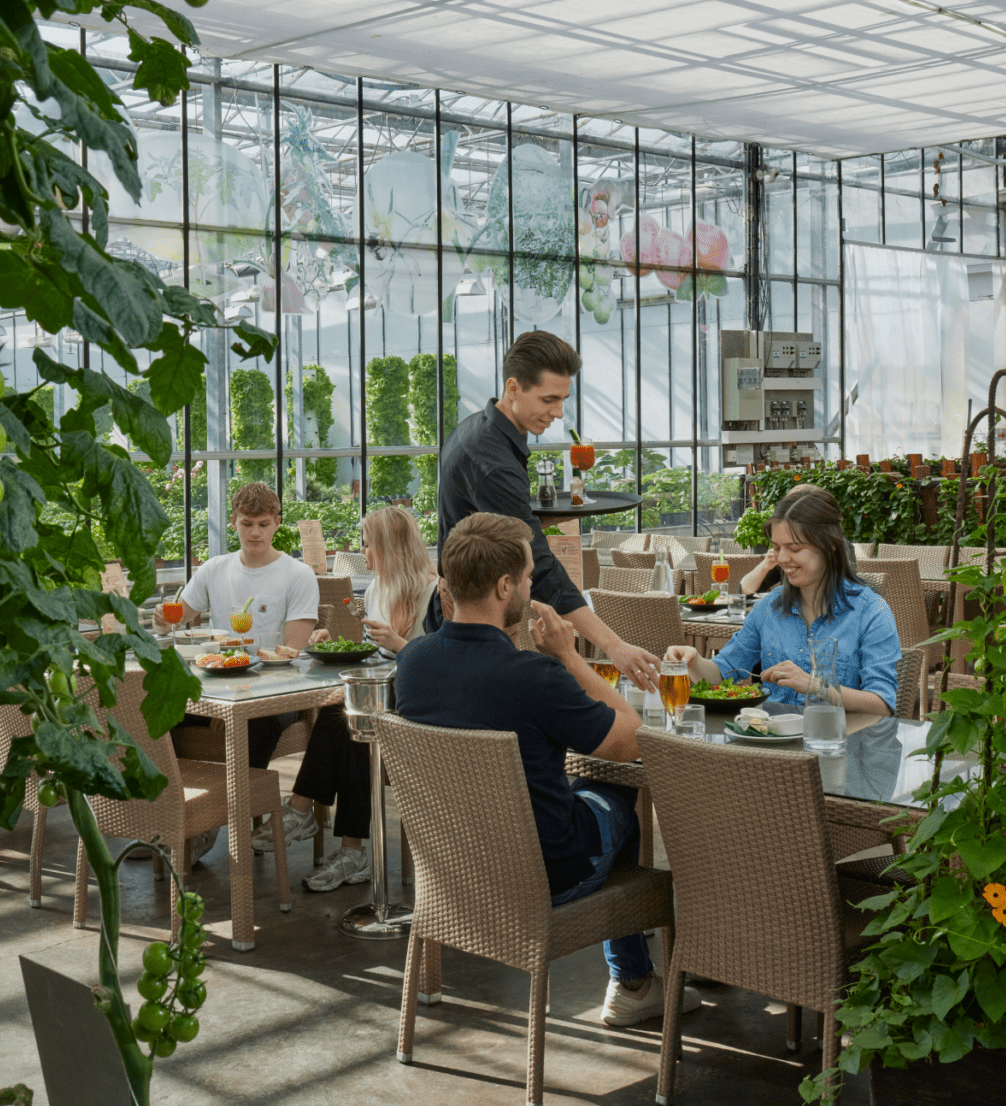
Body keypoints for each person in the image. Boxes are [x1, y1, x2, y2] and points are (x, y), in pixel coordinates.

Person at [395, 511, 702, 1028]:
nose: (535, 585)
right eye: (531, 575)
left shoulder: (414, 662)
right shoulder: (533, 675)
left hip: (453, 870)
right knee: (616, 795)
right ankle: (633, 981)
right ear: (504, 585)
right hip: (548, 876)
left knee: (587, 785)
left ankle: (637, 980)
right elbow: (630, 741)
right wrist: (568, 656)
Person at [438, 330, 664, 690]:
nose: (558, 413)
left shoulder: (477, 429)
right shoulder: (491, 459)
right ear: (514, 388)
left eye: (563, 399)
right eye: (549, 399)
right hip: (473, 623)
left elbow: (491, 519)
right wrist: (614, 646)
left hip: (474, 613)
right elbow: (540, 567)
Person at [254, 506, 438, 892]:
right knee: (349, 718)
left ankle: (304, 810)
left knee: (349, 714)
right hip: (381, 698)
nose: (365, 555)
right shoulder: (375, 589)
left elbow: (438, 667)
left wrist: (401, 644)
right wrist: (343, 643)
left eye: (370, 546)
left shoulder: (433, 592)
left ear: (392, 548)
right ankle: (349, 851)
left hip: (421, 703)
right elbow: (375, 657)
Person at [158, 482, 321, 861]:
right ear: (233, 522)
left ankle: (207, 825)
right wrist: (163, 622)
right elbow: (179, 618)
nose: (255, 533)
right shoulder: (215, 569)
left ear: (277, 524)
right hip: (216, 688)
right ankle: (169, 816)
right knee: (161, 715)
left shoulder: (297, 575)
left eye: (264, 524)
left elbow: (290, 655)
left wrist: (234, 704)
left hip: (276, 697)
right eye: (247, 523)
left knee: (251, 726)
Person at [669, 490, 898, 715]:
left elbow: (882, 704)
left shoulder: (871, 611)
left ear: (830, 546)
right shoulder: (769, 607)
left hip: (839, 740)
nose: (782, 559)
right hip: (774, 741)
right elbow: (722, 672)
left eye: (795, 548)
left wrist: (815, 685)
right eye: (777, 548)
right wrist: (694, 662)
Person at [738, 483, 851, 596]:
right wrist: (765, 565)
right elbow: (744, 592)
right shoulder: (784, 552)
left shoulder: (837, 545)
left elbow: (845, 587)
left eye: (795, 548)